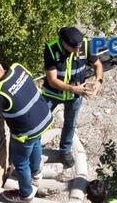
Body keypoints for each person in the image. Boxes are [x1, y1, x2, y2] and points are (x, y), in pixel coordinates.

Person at [0, 55, 53, 203]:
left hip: (26, 132)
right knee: (36, 143)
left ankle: (25, 194)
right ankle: (36, 173)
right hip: (43, 117)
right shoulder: (18, 68)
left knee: (20, 162)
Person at [42, 27, 103, 168]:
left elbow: (98, 65)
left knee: (70, 123)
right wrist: (73, 88)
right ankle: (35, 147)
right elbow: (52, 80)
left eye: (79, 48)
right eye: (74, 49)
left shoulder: (85, 45)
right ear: (64, 43)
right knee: (41, 120)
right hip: (52, 94)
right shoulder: (51, 49)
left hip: (76, 95)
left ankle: (65, 151)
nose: (77, 51)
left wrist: (98, 81)